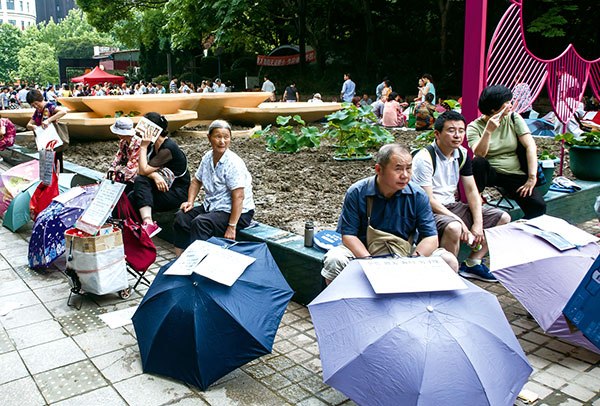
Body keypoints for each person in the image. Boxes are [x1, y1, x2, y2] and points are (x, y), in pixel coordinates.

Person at [321, 144, 457, 284]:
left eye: (409, 168)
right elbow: (349, 236)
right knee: (334, 260)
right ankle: (341, 304)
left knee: (449, 261)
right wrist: (371, 263)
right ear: (379, 169)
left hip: (405, 254)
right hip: (364, 253)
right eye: (398, 169)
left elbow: (431, 238)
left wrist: (413, 262)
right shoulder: (357, 192)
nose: (405, 175)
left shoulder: (418, 195)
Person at [412, 111, 511, 282]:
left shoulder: (462, 154)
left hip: (452, 206)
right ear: (437, 134)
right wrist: (458, 221)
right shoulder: (424, 158)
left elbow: (472, 191)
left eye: (461, 130)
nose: (457, 135)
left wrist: (478, 225)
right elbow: (428, 200)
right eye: (451, 130)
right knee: (454, 228)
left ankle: (473, 262)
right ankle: (447, 275)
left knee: (503, 217)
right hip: (428, 211)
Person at [173, 120, 255, 256]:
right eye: (218, 136)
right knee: (182, 217)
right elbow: (196, 181)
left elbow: (239, 196)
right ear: (209, 138)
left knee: (201, 223)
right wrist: (190, 202)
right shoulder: (207, 158)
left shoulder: (233, 163)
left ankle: (200, 264)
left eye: (226, 137)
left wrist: (232, 226)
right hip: (213, 206)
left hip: (237, 213)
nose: (222, 141)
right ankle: (180, 259)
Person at [467, 85, 546, 219]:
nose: (511, 105)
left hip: (514, 173)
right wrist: (488, 131)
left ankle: (517, 230)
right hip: (490, 172)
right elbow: (479, 154)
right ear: (494, 109)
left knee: (538, 207)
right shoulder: (474, 127)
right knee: (477, 162)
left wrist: (532, 178)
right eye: (507, 103)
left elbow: (530, 146)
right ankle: (476, 200)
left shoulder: (514, 118)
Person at [130, 112, 190, 237]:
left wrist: (143, 147)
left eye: (144, 126)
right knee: (132, 195)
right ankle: (139, 229)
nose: (139, 129)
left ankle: (147, 223)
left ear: (154, 130)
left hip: (176, 193)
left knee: (138, 188)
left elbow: (142, 172)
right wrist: (154, 175)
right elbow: (140, 169)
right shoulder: (154, 146)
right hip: (162, 189)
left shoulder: (168, 148)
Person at [26, 89, 67, 171]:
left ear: (40, 99)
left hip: (53, 140)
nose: (36, 107)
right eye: (33, 105)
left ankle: (58, 180)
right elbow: (28, 125)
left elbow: (63, 112)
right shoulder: (37, 111)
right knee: (47, 165)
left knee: (56, 162)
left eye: (37, 104)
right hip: (43, 141)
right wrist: (33, 127)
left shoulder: (49, 106)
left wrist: (49, 120)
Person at [107, 117, 142, 194]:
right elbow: (118, 158)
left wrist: (117, 177)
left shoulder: (138, 144)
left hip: (137, 173)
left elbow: (132, 166)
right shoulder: (123, 142)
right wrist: (112, 171)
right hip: (125, 171)